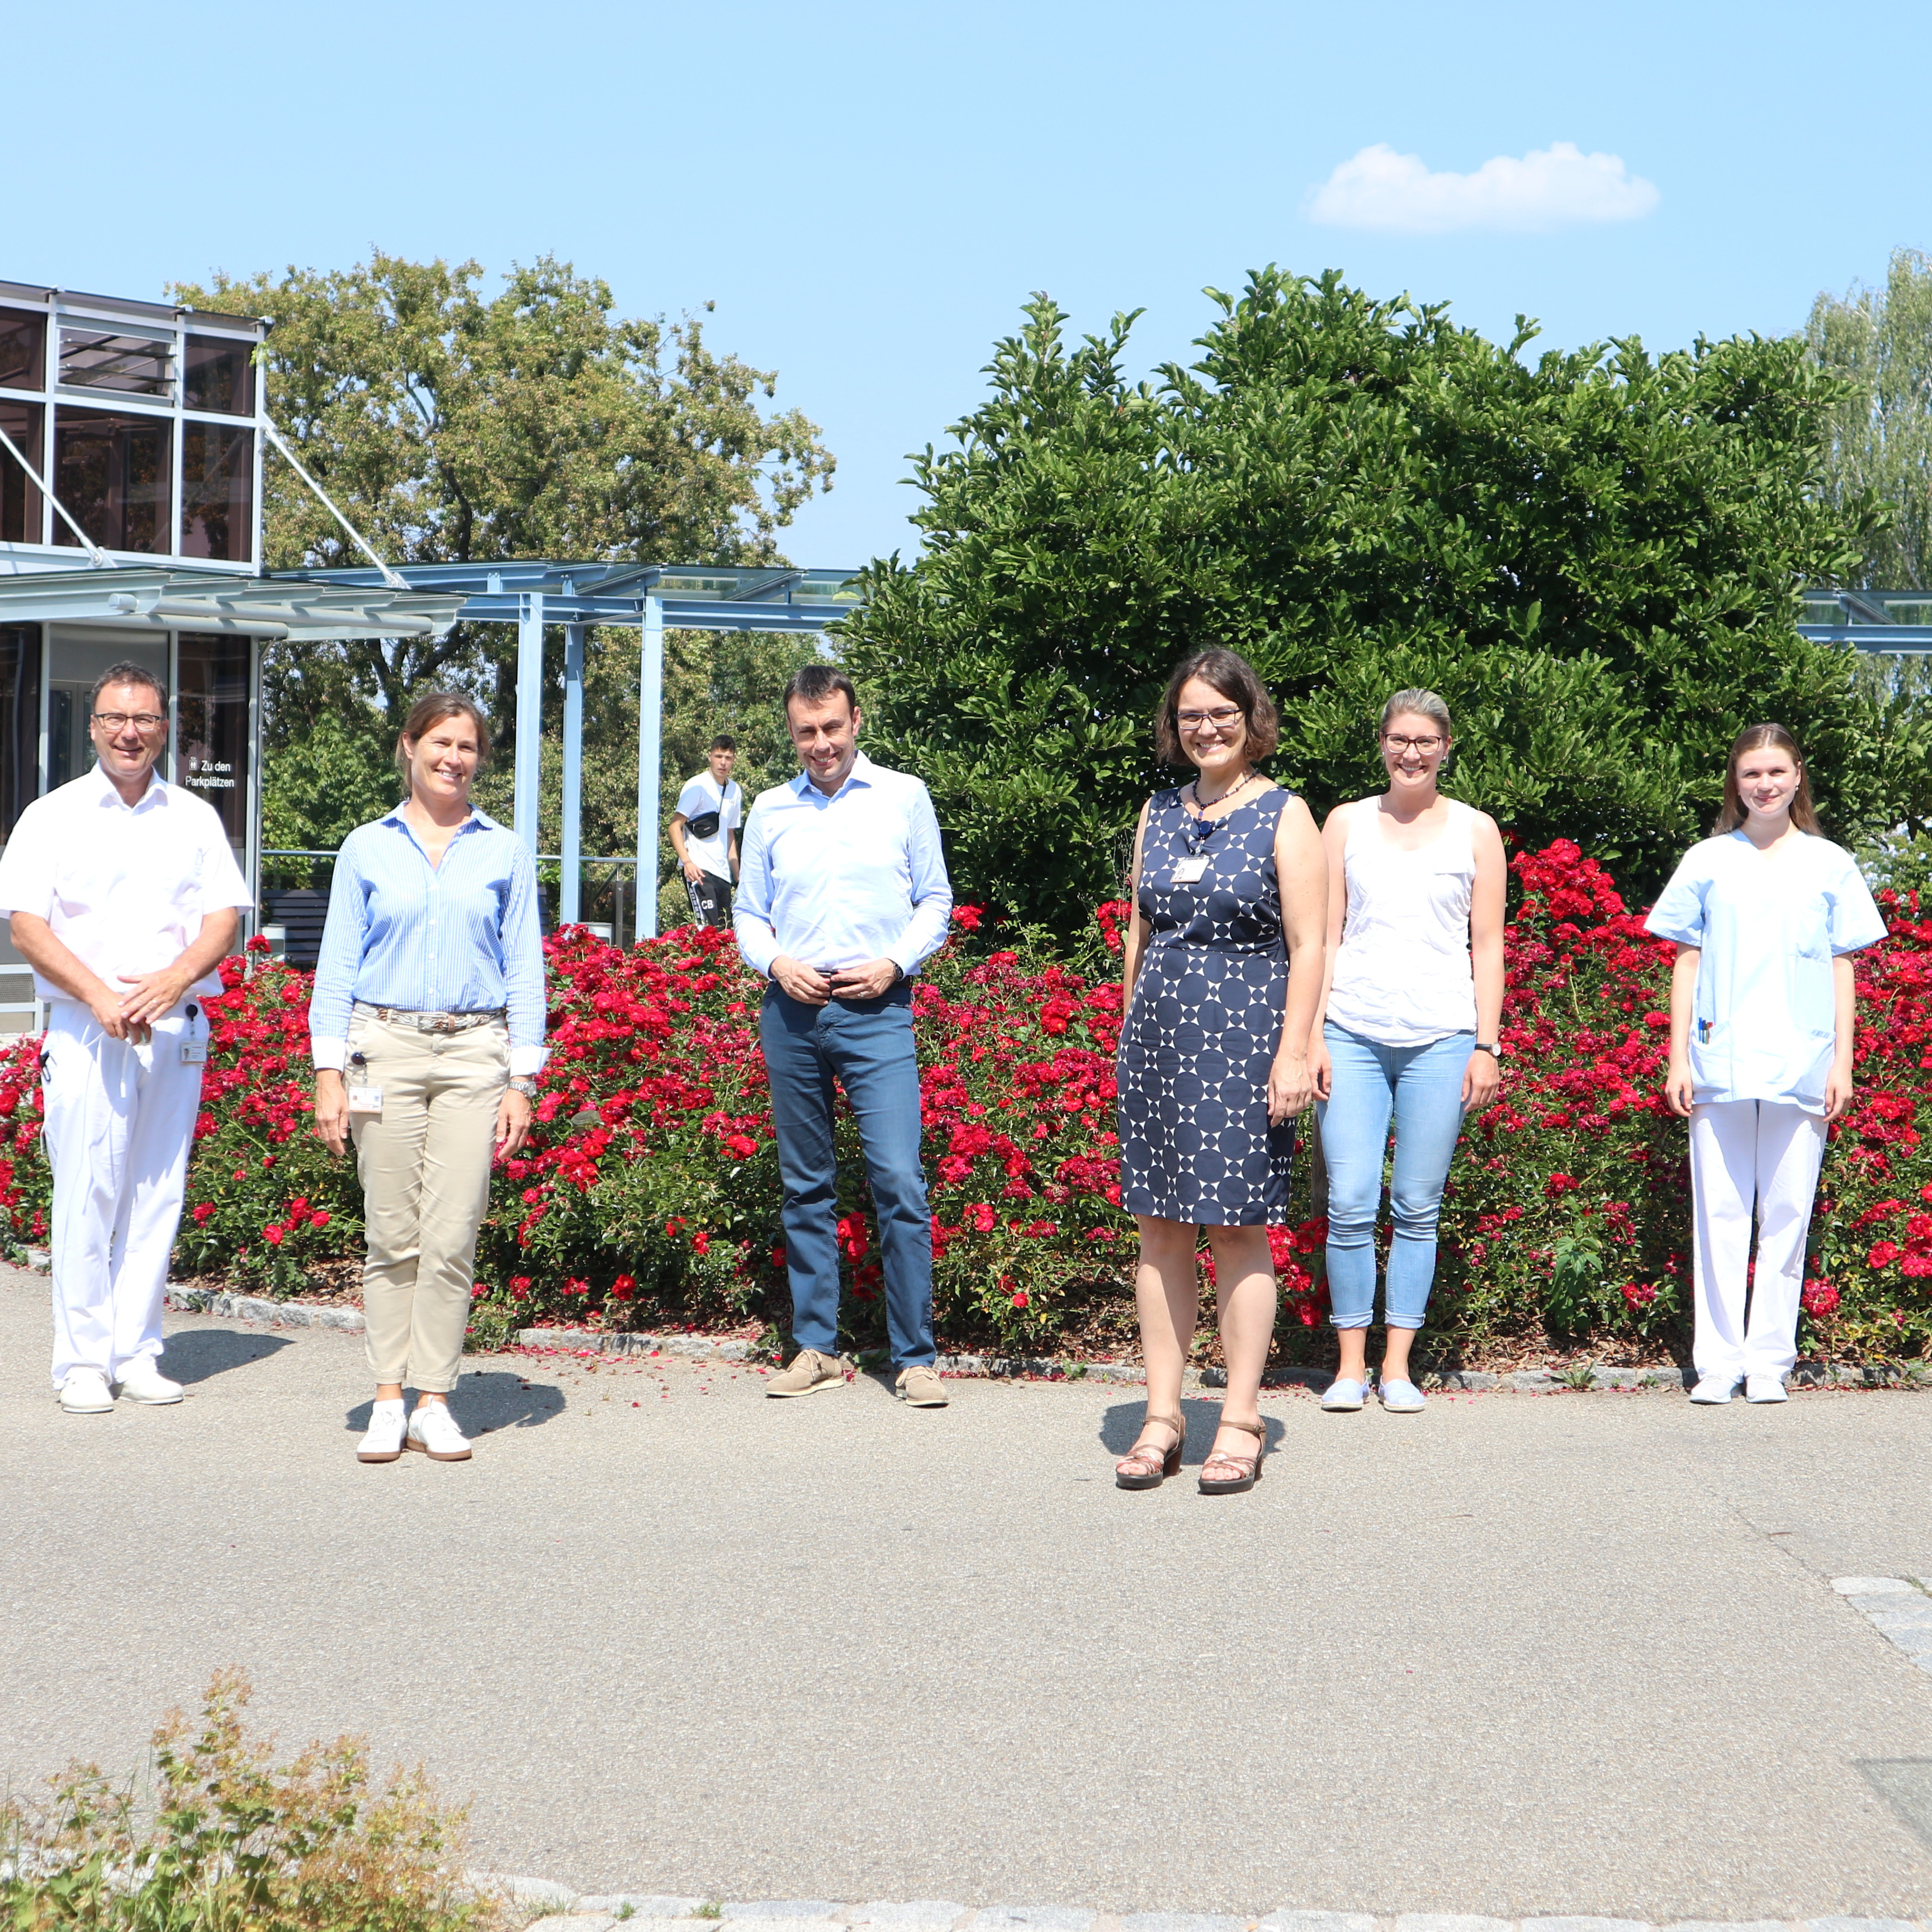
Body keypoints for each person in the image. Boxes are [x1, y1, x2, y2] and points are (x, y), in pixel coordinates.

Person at [0, 661, 253, 1414]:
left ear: (164, 728)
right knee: (88, 1191)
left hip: (173, 1024)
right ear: (93, 727)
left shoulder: (194, 818)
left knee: (156, 1192)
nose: (130, 732)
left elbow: (223, 920)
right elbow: (27, 925)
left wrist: (175, 980)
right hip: (87, 1027)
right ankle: (83, 1361)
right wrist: (98, 996)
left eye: (144, 718)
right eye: (115, 718)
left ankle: (137, 1352)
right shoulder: (53, 815)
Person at [310, 692, 545, 1464]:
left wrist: (522, 1080)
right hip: (384, 1049)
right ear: (410, 746)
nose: (453, 758)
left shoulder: (503, 851)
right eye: (440, 742)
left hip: (475, 1054)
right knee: (392, 1234)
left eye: (467, 746)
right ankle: (388, 1398)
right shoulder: (365, 847)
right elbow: (337, 965)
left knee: (451, 1235)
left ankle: (434, 1400)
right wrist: (328, 1072)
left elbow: (525, 969)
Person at [1113, 648, 1327, 1494]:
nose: (1206, 728)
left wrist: (1296, 1051)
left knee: (1237, 1229)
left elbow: (1311, 944)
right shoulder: (1158, 811)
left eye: (1221, 713)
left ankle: (1239, 1420)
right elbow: (1138, 929)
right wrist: (1127, 1029)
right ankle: (1163, 1417)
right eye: (1191, 715)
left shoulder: (1286, 814)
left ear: (1251, 718)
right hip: (1160, 1043)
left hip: (1245, 1046)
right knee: (1160, 1229)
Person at [732, 664, 954, 1406]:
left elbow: (935, 900)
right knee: (805, 1187)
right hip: (793, 1009)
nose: (821, 743)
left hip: (877, 1007)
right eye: (807, 732)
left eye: (832, 727)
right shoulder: (770, 808)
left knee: (897, 1179)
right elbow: (749, 913)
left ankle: (915, 1358)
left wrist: (894, 963)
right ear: (791, 732)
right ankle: (817, 1349)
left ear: (857, 720)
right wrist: (777, 963)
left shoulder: (904, 796)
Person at [1646, 723, 1885, 1405]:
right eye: (1752, 773)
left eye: (1777, 771)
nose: (1765, 784)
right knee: (1720, 1214)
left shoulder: (1829, 863)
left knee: (1786, 1214)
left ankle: (1769, 1363)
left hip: (1802, 1060)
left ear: (1798, 775)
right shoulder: (1708, 860)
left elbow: (1842, 966)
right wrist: (1678, 1059)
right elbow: (1686, 961)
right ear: (1736, 782)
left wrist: (1842, 1061)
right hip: (1719, 1060)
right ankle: (1719, 1363)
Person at [1309, 690, 1507, 1415]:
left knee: (1418, 1206)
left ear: (1446, 747)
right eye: (1399, 739)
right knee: (1350, 1202)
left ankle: (1397, 1366)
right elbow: (1324, 935)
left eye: (1425, 741)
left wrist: (1486, 1044)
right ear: (1382, 743)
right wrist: (1310, 1035)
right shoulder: (1346, 823)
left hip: (1443, 1038)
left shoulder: (1476, 831)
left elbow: (1489, 944)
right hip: (1351, 1031)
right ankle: (1349, 1367)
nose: (1411, 753)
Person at [669, 736, 744, 929]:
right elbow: (675, 826)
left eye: (728, 758)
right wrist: (687, 862)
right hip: (699, 869)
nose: (723, 763)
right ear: (710, 756)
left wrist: (738, 874)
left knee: (725, 932)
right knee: (707, 931)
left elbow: (729, 834)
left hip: (722, 872)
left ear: (733, 760)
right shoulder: (697, 786)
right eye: (719, 756)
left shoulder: (735, 790)